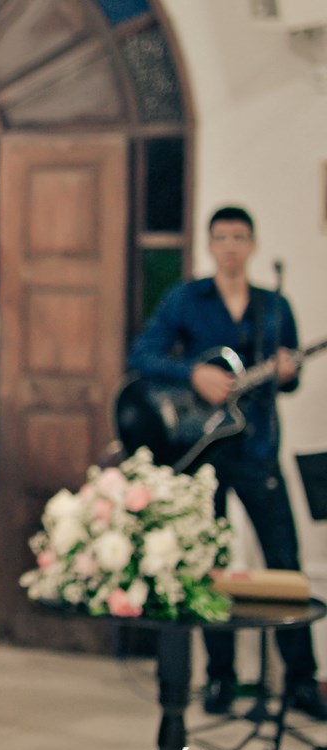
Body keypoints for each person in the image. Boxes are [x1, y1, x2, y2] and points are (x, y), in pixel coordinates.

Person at [128, 206, 327, 719]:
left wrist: (287, 374)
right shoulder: (186, 298)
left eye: (239, 237)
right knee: (208, 565)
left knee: (284, 562)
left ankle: (301, 681)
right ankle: (220, 676)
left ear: (253, 244)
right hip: (203, 453)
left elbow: (290, 380)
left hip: (258, 448)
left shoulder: (274, 305)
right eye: (221, 237)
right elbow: (142, 355)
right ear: (210, 244)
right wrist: (193, 373)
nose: (230, 246)